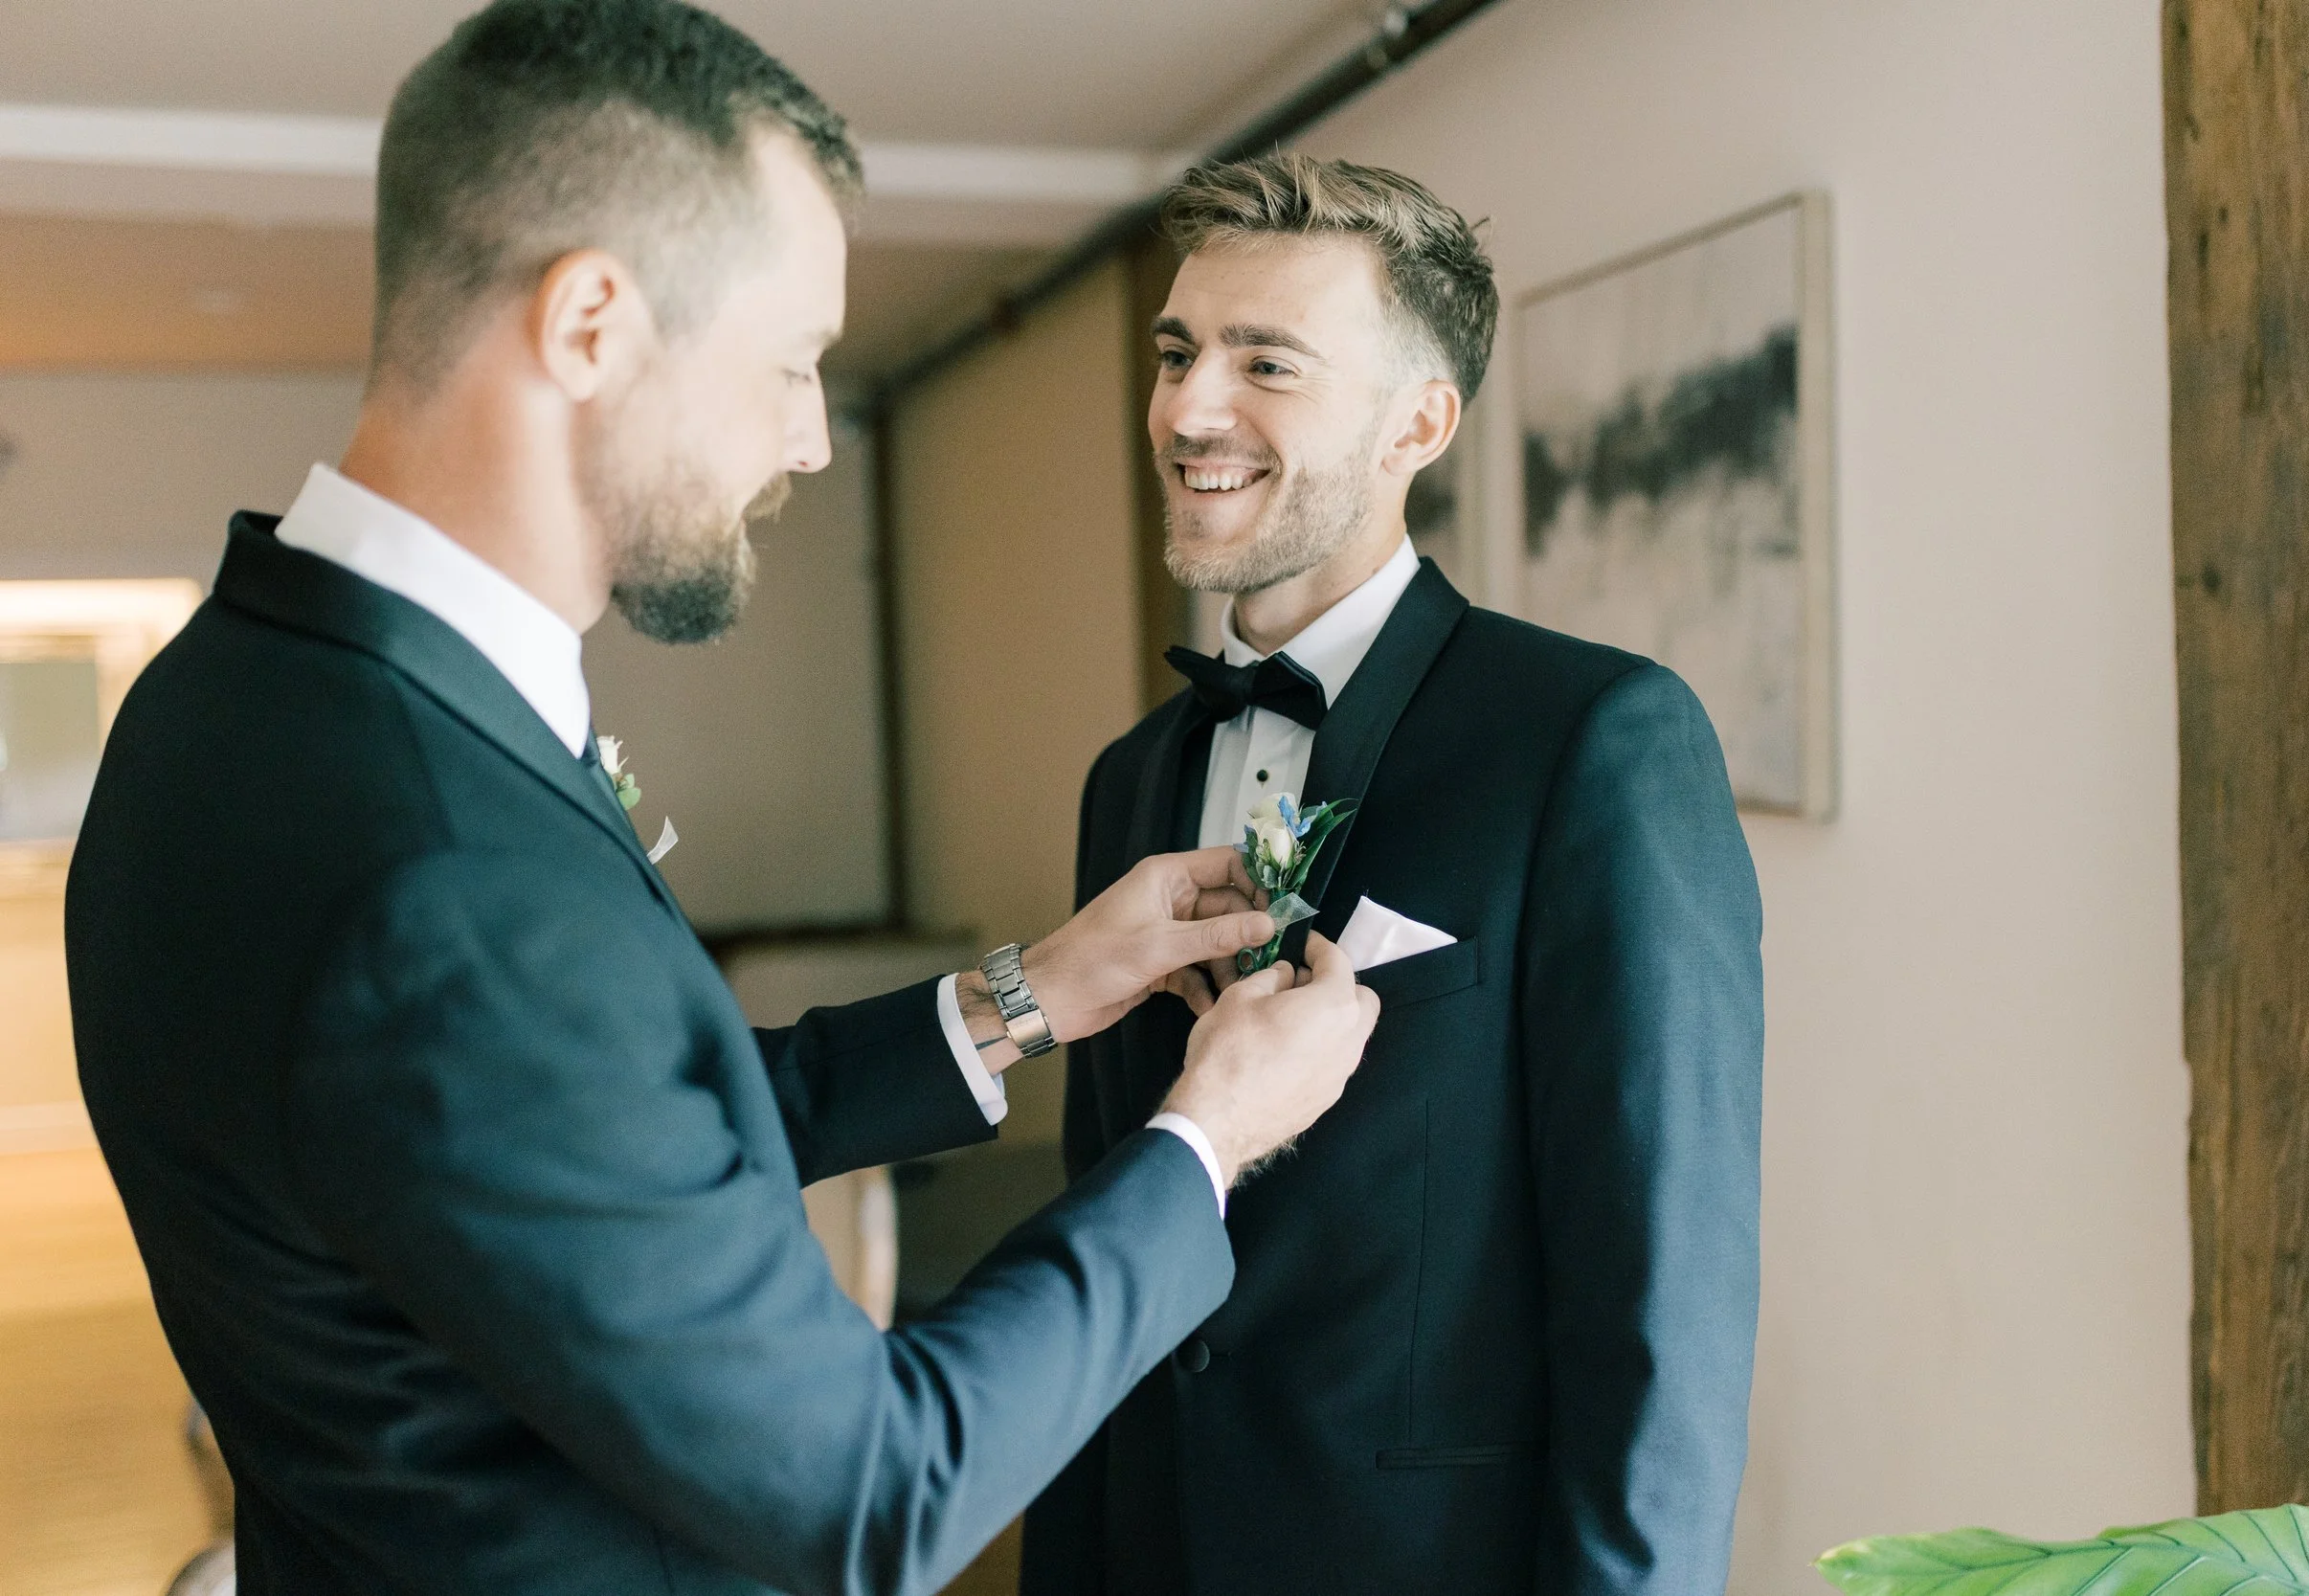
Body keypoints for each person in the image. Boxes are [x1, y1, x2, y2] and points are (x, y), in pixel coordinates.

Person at [62, 7, 1380, 1594]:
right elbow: (872, 1490)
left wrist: (1029, 993)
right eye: (789, 364)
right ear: (594, 325)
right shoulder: (443, 876)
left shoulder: (223, 701)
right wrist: (1204, 1135)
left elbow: (583, 1138)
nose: (813, 438)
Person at [1020, 154, 1764, 1596]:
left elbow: (1666, 1293)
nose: (1187, 408)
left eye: (1265, 362)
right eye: (1176, 352)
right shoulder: (1128, 778)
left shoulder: (1597, 742)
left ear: (1417, 421)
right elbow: (1103, 1219)